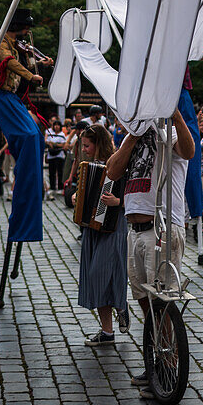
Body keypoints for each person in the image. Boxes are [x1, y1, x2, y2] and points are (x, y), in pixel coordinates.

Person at [106, 109, 195, 395]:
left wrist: (175, 115)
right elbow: (112, 170)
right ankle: (158, 358)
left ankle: (168, 366)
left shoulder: (165, 133)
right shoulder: (131, 140)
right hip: (134, 230)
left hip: (162, 228)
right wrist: (132, 135)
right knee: (146, 301)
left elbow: (189, 150)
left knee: (162, 301)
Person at [77, 124, 129, 346]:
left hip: (114, 225)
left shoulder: (119, 162)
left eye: (87, 146)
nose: (84, 150)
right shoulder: (89, 166)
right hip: (93, 228)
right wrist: (77, 199)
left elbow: (136, 195)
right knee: (96, 277)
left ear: (98, 144)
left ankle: (121, 306)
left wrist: (118, 202)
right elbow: (85, 194)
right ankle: (107, 332)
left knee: (106, 271)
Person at [45, 119, 66, 200]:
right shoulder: (50, 133)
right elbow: (47, 141)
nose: (56, 127)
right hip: (51, 155)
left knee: (60, 171)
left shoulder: (62, 134)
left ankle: (60, 187)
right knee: (51, 171)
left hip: (59, 155)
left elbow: (64, 144)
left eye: (58, 125)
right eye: (55, 125)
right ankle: (52, 187)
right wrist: (50, 144)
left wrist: (55, 145)